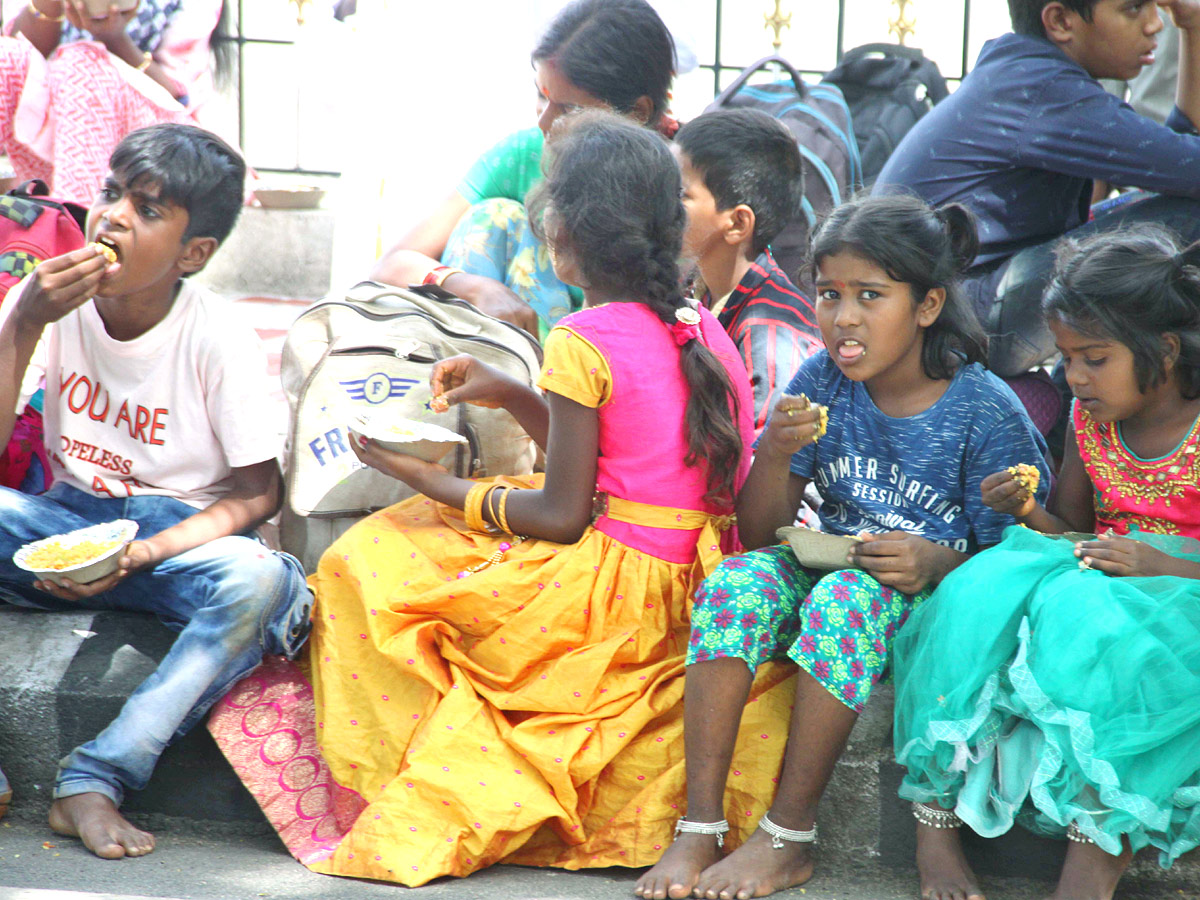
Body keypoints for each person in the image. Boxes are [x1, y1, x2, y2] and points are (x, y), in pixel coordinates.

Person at [209, 110, 802, 887]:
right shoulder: (698, 323)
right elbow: (620, 460)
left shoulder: (583, 337)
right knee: (430, 538)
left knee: (374, 561)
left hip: (613, 594)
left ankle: (376, 775)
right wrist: (514, 393)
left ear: (560, 236)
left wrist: (436, 483)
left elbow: (561, 514)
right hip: (690, 574)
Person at [635, 194, 1051, 900]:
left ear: (925, 307)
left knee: (846, 602)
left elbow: (1019, 565)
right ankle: (698, 825)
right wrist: (774, 455)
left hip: (924, 601)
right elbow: (761, 531)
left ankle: (788, 836)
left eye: (870, 296)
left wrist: (936, 564)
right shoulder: (821, 380)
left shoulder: (982, 410)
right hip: (829, 560)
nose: (844, 317)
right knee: (737, 582)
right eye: (829, 294)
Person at [0, 123, 312, 859]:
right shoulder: (48, 302)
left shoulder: (218, 336)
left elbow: (258, 495)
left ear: (192, 254)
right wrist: (21, 323)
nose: (110, 217)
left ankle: (97, 777)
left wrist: (149, 551)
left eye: (146, 209)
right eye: (110, 194)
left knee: (263, 581)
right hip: (63, 522)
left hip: (174, 540)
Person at [893, 226, 1200, 900]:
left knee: (1110, 638)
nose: (1074, 377)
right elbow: (1072, 530)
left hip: (1180, 601)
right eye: (1066, 357)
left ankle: (1086, 878)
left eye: (1094, 357)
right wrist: (1029, 511)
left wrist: (1160, 565)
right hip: (1092, 577)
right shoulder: (1088, 419)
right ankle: (934, 823)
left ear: (1167, 351)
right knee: (977, 591)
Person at [874, 0, 1200, 377]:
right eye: (1132, 10)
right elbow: (1188, 168)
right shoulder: (1042, 88)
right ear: (1061, 21)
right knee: (1185, 220)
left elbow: (1179, 158)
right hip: (950, 320)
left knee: (1160, 213)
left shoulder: (1027, 72)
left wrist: (1191, 26)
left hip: (953, 306)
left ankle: (1084, 388)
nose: (1154, 25)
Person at [368, 0, 677, 338]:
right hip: (511, 367)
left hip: (613, 366)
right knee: (491, 217)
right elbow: (392, 265)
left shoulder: (686, 184)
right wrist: (471, 286)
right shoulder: (525, 154)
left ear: (636, 113)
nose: (544, 122)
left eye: (569, 108)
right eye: (542, 96)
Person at [674, 108, 823, 435]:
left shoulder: (771, 336)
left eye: (680, 194)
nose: (662, 203)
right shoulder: (695, 291)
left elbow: (764, 463)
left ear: (737, 223)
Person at [0, 0, 230, 205]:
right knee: (5, 54)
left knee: (82, 64)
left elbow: (177, 98)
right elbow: (21, 55)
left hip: (144, 139)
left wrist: (114, 38)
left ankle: (74, 227)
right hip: (47, 134)